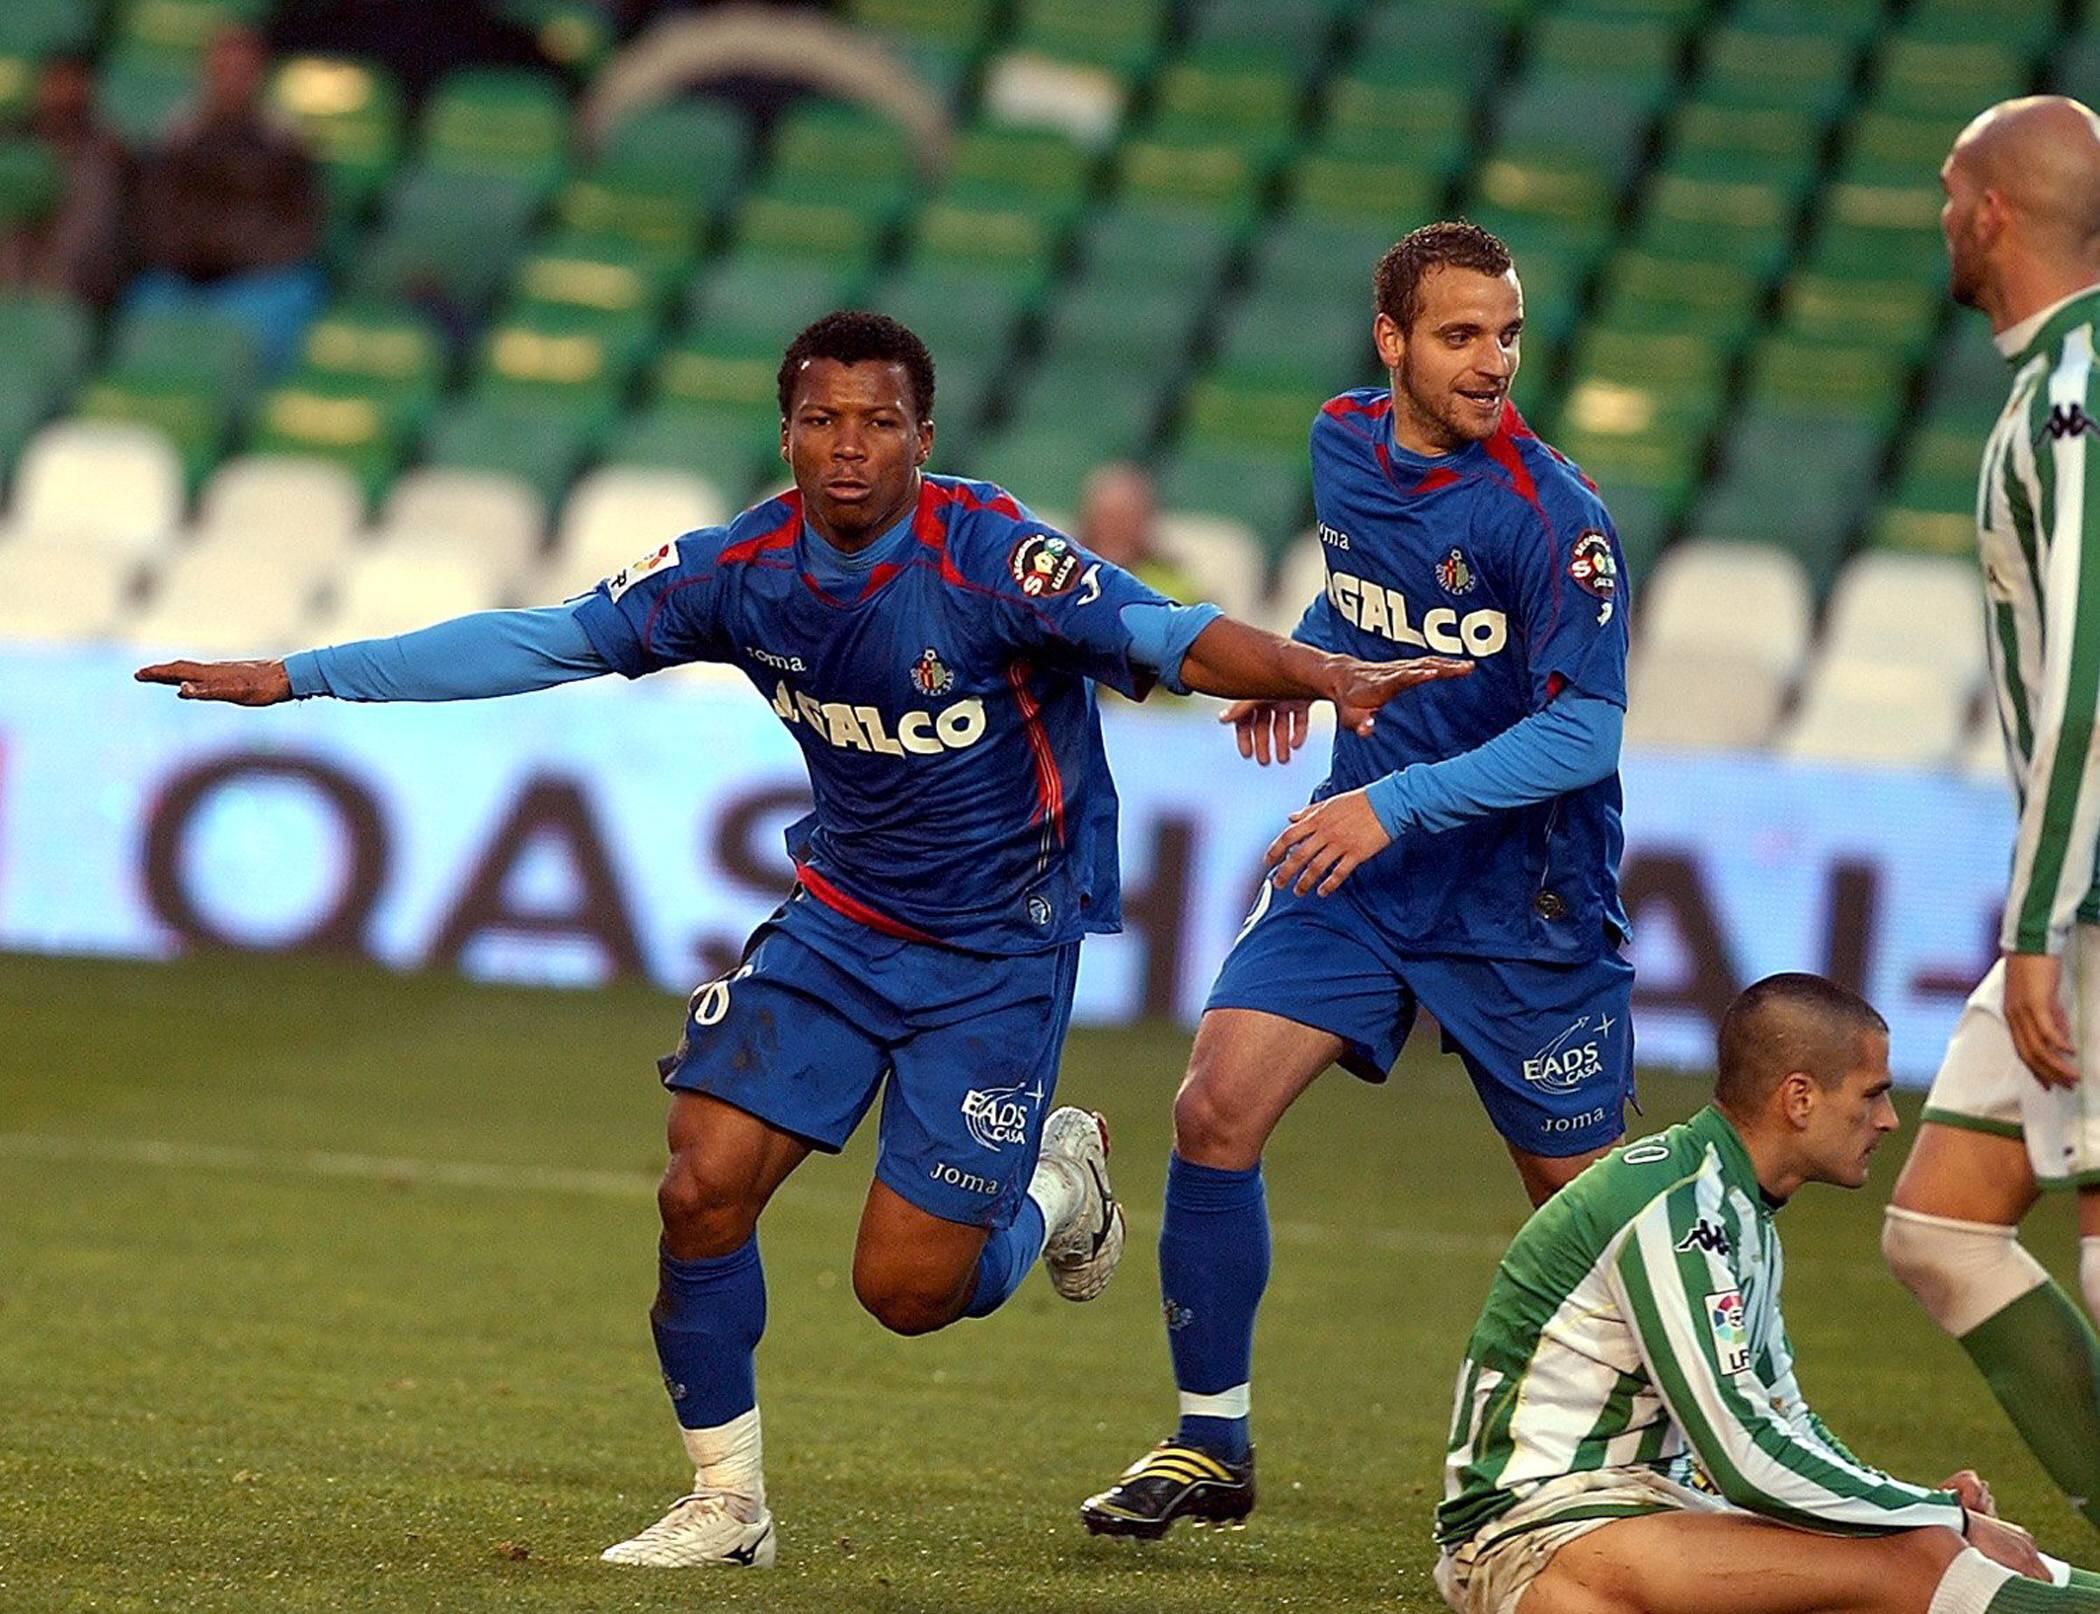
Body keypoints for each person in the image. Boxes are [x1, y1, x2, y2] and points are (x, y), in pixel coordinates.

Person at [135, 311, 1466, 1570]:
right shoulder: (738, 568)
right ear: (785, 434)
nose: (848, 446)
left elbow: (1174, 635)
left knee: (906, 1289)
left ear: (922, 437)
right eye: (821, 418)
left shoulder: (995, 557)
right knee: (700, 1180)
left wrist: (1319, 670)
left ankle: (1064, 1185)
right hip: (840, 923)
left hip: (997, 952)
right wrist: (300, 673)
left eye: (877, 422)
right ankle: (727, 1501)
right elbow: (547, 640)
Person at [1082, 219, 1633, 1538]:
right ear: (1391, 341)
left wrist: (1397, 798)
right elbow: (1363, 596)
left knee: (1593, 1217)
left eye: (1505, 333)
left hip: (1521, 896)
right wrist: (1305, 665)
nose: (1492, 360)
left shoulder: (1555, 519)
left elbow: (1584, 731)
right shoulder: (1341, 441)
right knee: (1214, 1107)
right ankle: (1211, 1437)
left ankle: (1674, 1456)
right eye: (1460, 335)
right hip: (1364, 869)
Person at [1435, 972, 2100, 1614]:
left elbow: (1783, 1419)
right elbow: (1744, 1458)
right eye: (1872, 1095)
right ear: (1800, 1098)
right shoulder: (1677, 1213)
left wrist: (1913, 1506)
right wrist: (1939, 1516)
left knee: (1921, 1548)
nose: (1890, 1119)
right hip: (1534, 1539)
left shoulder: (1735, 1208)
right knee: (1913, 1561)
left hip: (1643, 1513)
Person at [1879, 94, 2100, 1536]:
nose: (1942, 216)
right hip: (2073, 883)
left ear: (1995, 213)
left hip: (2087, 898)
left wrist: (2039, 920)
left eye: (1951, 189)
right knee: (1941, 1225)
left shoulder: (2077, 390)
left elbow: (2087, 662)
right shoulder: (2049, 381)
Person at [128, 25, 324, 374]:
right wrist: (193, 261)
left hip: (258, 282)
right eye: (222, 70)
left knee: (298, 291)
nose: (231, 80)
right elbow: (153, 220)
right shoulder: (174, 140)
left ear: (260, 76)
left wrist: (235, 259)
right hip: (183, 281)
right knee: (145, 302)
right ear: (205, 74)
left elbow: (299, 230)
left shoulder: (287, 144)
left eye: (242, 71)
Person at [0, 56, 127, 308]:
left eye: (73, 85)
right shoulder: (12, 143)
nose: (64, 95)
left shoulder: (105, 155)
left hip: (69, 286)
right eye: (56, 84)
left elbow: (91, 233)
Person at [1075, 461, 1203, 605]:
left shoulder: (1171, 585)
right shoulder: (1064, 577)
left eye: (1125, 517)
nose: (1116, 527)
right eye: (1108, 516)